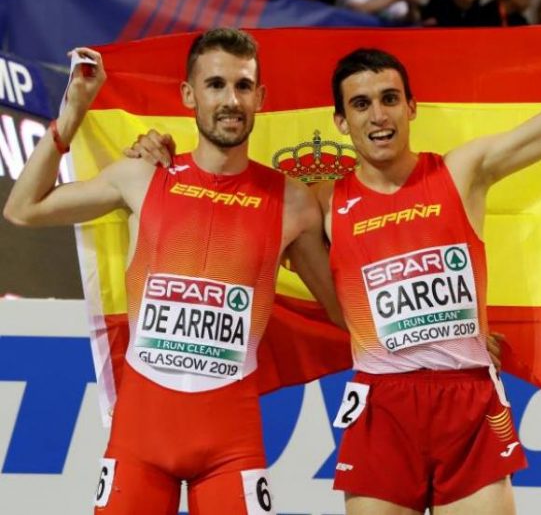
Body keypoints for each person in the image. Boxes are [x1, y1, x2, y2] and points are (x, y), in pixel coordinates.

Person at [127, 0, 541, 514]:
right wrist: (157, 156)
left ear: (411, 107)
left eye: (389, 99)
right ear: (341, 122)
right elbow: (221, 193)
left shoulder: (462, 173)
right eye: (361, 104)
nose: (378, 116)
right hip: (382, 405)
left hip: (468, 402)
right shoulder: (318, 201)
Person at [3, 28, 343, 514]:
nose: (231, 100)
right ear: (188, 95)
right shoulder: (144, 175)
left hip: (231, 445)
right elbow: (23, 208)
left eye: (243, 86)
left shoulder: (292, 202)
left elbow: (344, 311)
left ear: (260, 98)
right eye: (215, 85)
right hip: (140, 441)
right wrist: (73, 112)